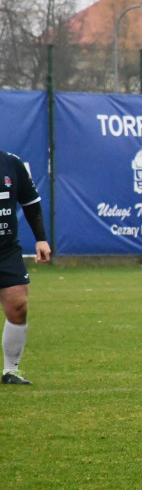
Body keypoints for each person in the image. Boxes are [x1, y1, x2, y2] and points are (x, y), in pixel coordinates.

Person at [0, 150, 51, 385]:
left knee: (18, 305)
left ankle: (11, 371)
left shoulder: (11, 163)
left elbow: (30, 202)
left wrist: (41, 238)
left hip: (6, 250)